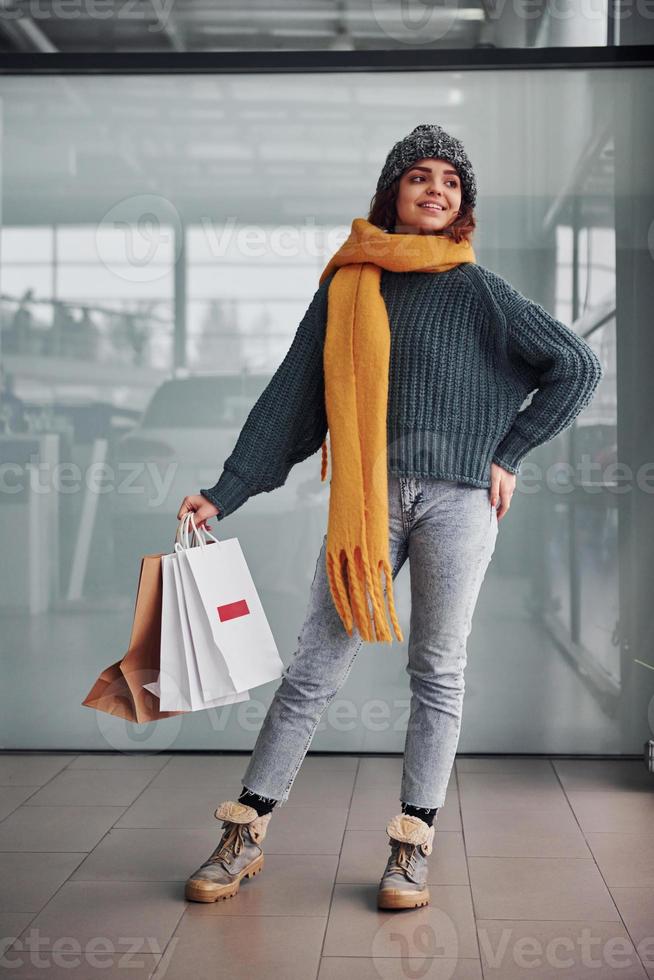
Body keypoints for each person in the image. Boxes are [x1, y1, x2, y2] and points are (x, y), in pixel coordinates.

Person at [177, 124, 604, 910]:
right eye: (419, 177)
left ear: (463, 203)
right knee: (313, 669)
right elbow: (291, 399)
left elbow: (576, 366)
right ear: (393, 193)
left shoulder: (479, 289)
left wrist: (508, 453)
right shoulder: (347, 285)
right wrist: (226, 490)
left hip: (457, 502)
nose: (435, 188)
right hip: (367, 504)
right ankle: (246, 831)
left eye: (450, 180)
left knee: (436, 671)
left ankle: (411, 846)